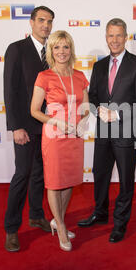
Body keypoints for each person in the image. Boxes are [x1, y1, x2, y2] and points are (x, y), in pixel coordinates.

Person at [77, 18, 136, 243]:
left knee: (126, 180)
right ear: (106, 37)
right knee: (100, 175)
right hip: (102, 132)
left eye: (119, 35)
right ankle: (99, 214)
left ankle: (120, 223)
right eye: (111, 35)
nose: (115, 40)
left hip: (126, 131)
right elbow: (94, 97)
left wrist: (117, 114)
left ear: (126, 37)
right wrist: (97, 108)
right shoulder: (99, 66)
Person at [30, 30, 90, 252]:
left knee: (69, 180)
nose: (62, 51)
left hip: (75, 136)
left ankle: (58, 219)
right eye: (57, 47)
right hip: (54, 137)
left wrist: (83, 121)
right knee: (55, 182)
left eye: (65, 47)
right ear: (51, 51)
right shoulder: (44, 76)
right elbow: (35, 111)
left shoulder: (80, 75)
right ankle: (62, 227)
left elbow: (86, 106)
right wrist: (57, 123)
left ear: (71, 49)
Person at [3, 6, 54, 252]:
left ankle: (36, 215)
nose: (46, 25)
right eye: (42, 20)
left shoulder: (52, 52)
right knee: (22, 174)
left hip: (45, 125)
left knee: (39, 175)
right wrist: (15, 126)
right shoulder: (17, 49)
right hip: (24, 126)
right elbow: (10, 90)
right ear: (32, 22)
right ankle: (11, 229)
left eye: (49, 21)